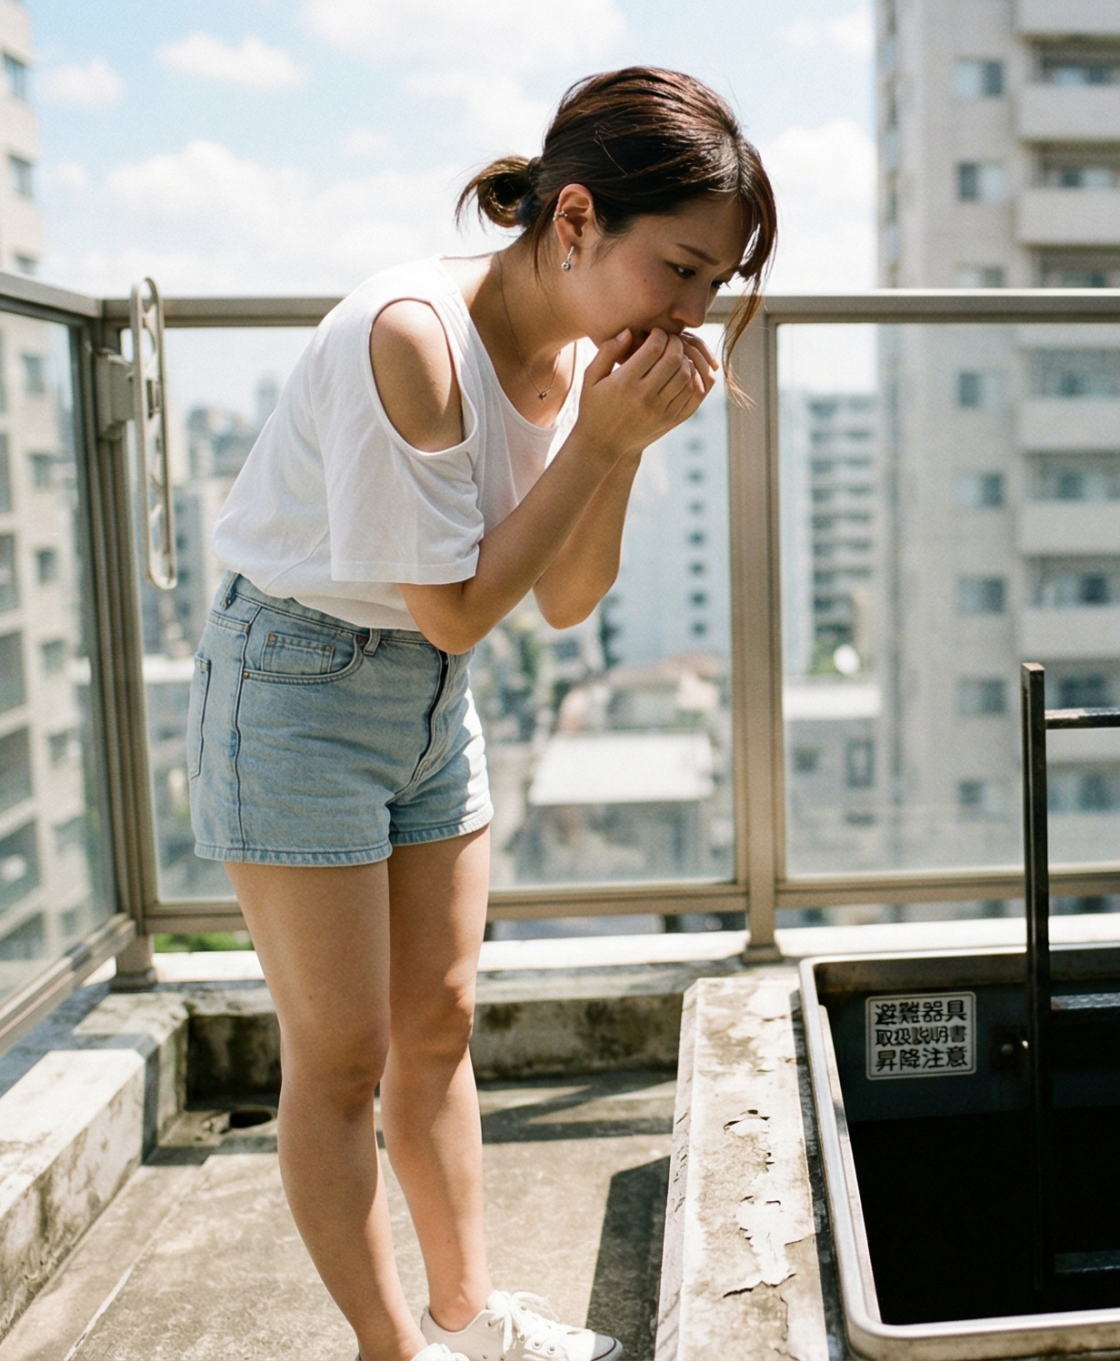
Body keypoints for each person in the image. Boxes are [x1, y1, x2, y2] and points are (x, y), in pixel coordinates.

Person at [189, 67, 775, 1361]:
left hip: (427, 693)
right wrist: (599, 442)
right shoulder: (411, 337)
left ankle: (470, 1318)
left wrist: (617, 440)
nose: (691, 313)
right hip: (292, 685)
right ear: (576, 221)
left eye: (714, 285)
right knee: (340, 1059)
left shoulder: (574, 359)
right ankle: (393, 1351)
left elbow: (564, 599)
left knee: (440, 1025)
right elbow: (456, 607)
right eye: (680, 270)